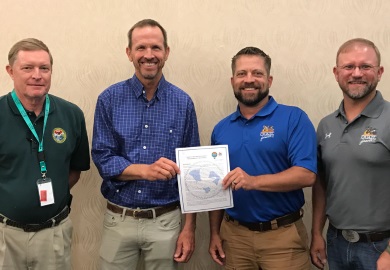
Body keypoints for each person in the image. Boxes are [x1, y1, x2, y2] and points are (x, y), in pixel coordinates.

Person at [92, 19, 200, 270]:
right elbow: (102, 157)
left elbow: (192, 172)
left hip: (166, 221)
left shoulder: (183, 103)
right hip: (119, 219)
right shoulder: (109, 99)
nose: (148, 55)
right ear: (129, 53)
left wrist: (189, 228)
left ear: (166, 53)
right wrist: (145, 170)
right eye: (141, 48)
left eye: (156, 48)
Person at [208, 46, 317, 270]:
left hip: (283, 238)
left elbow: (306, 174)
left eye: (257, 73)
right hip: (235, 238)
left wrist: (253, 181)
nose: (249, 80)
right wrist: (214, 233)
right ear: (232, 81)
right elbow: (217, 188)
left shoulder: (293, 118)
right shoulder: (221, 129)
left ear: (269, 79)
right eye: (242, 74)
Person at [0, 38, 90, 270]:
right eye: (27, 68)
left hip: (54, 234)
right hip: (4, 235)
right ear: (11, 71)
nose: (37, 75)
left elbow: (74, 170)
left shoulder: (71, 115)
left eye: (44, 68)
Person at [311, 38, 390, 270]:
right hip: (337, 242)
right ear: (336, 73)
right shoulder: (326, 125)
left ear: (380, 72)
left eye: (365, 66)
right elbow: (322, 184)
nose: (356, 73)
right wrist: (317, 233)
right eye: (348, 67)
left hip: (380, 247)